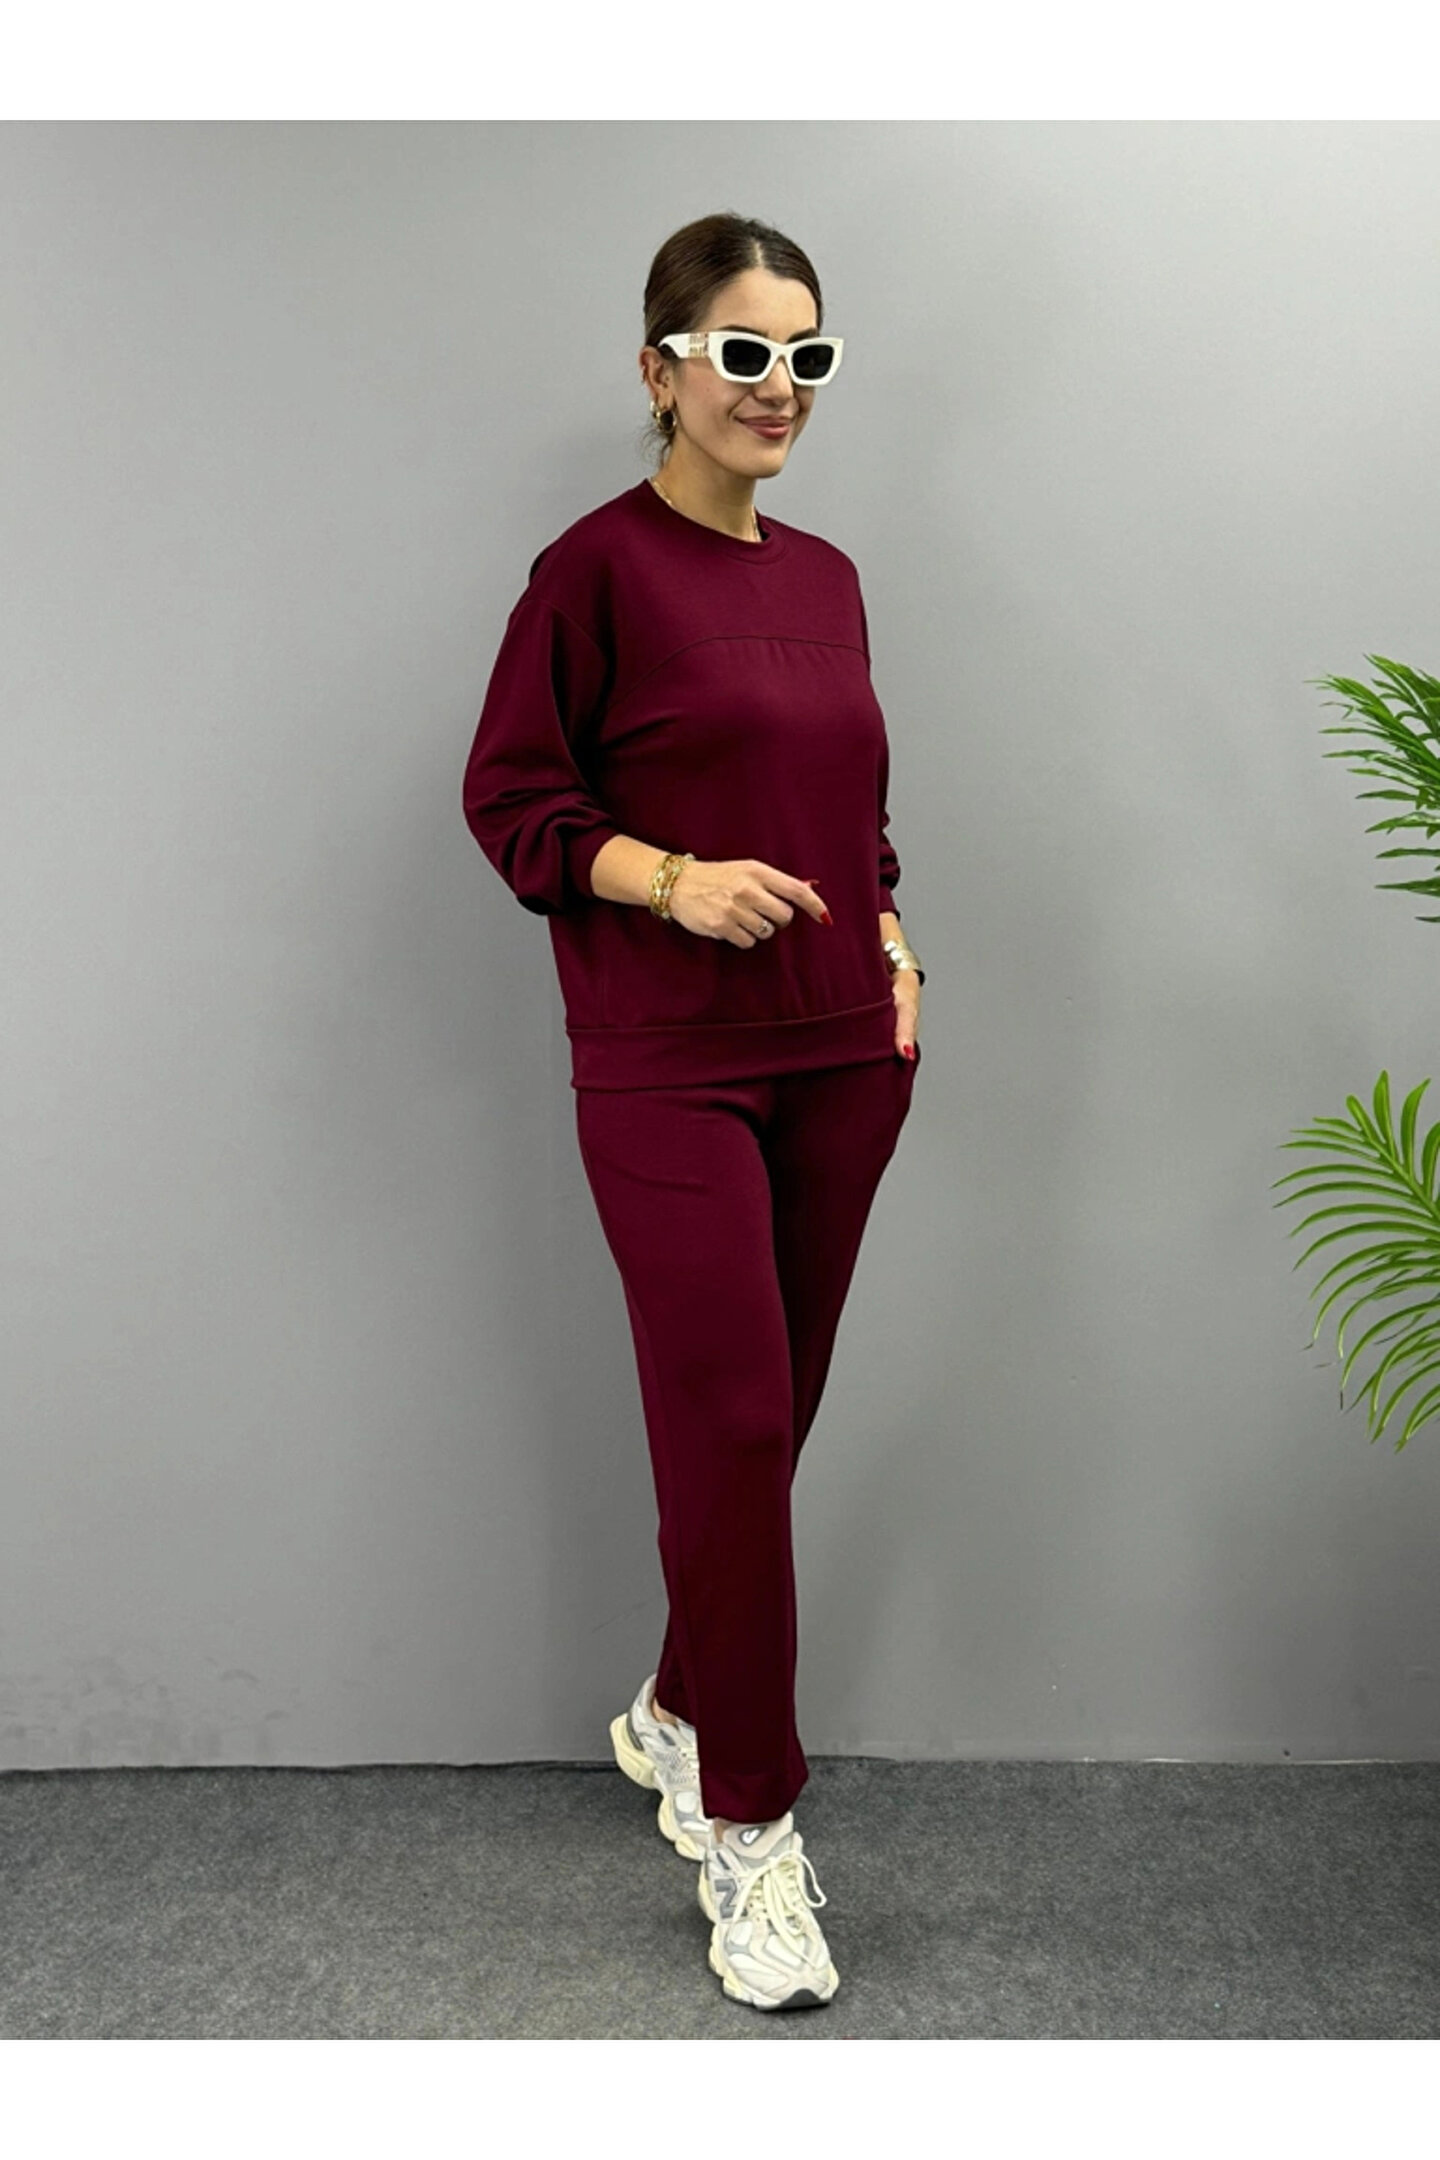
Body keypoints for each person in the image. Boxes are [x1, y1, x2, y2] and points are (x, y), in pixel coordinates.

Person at [461, 210, 925, 2014]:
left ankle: (674, 1706)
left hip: (845, 1057)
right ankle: (750, 1824)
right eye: (745, 352)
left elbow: (854, 808)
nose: (778, 387)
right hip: (669, 1063)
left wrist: (893, 938)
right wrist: (669, 879)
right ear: (659, 370)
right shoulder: (592, 573)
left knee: (769, 1420)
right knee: (731, 1422)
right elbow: (514, 801)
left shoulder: (831, 578)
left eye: (808, 357)